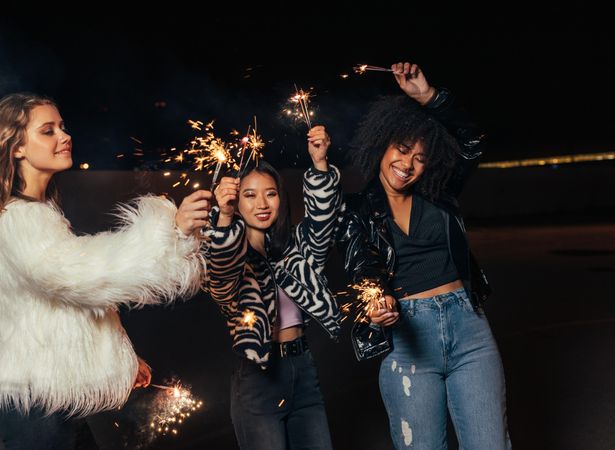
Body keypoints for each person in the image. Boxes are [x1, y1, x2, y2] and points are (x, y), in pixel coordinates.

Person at [0, 93, 210, 449]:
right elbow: (83, 275)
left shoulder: (39, 212)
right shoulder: (17, 219)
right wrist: (171, 230)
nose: (64, 136)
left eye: (62, 127)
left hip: (48, 395)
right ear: (16, 148)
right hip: (34, 403)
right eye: (48, 131)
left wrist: (121, 358)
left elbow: (64, 303)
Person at [338, 62, 511, 449]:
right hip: (407, 338)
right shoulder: (358, 210)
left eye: (420, 157)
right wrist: (375, 302)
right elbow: (362, 264)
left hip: (469, 328)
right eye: (402, 150)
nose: (408, 165)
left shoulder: (440, 191)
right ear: (381, 144)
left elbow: (472, 142)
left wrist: (429, 97)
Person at [206, 126, 342, 450]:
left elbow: (321, 226)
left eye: (271, 193)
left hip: (304, 370)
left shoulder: (294, 249)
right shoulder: (229, 260)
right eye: (249, 195)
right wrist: (222, 217)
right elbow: (221, 271)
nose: (262, 203)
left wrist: (320, 164)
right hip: (258, 378)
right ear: (235, 202)